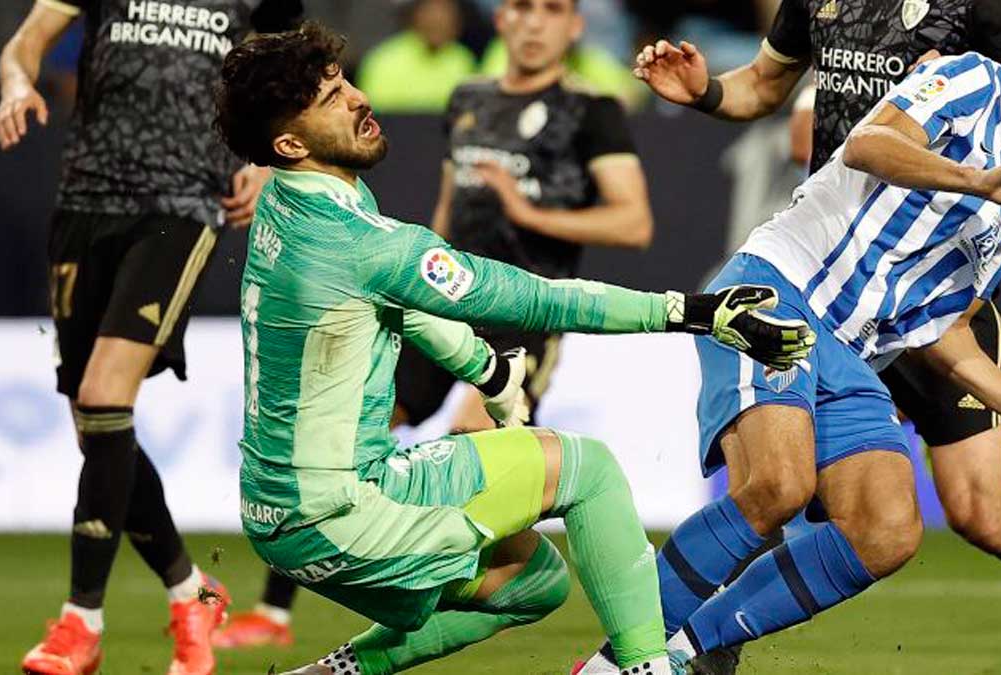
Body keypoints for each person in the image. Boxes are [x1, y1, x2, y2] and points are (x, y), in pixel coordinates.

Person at [212, 22, 815, 675]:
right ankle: (648, 668)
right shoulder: (365, 241)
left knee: (531, 580)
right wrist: (691, 312)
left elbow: (394, 306)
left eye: (344, 81)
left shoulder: (284, 201)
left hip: (278, 519)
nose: (357, 97)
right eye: (330, 98)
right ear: (290, 142)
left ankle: (337, 671)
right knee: (587, 469)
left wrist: (484, 366)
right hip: (345, 513)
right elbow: (540, 300)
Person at [576, 2, 1001, 674]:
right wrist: (976, 180)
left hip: (848, 350)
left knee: (887, 529)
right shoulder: (969, 81)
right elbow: (869, 144)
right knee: (777, 483)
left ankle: (681, 654)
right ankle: (614, 659)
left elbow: (937, 327)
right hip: (777, 292)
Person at [214, 0, 657, 647]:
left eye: (552, 9)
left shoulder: (593, 111)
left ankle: (404, 573)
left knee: (479, 444)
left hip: (519, 314)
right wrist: (417, 277)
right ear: (501, 21)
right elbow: (444, 218)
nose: (534, 22)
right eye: (522, 8)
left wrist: (527, 215)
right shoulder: (468, 98)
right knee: (355, 424)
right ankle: (288, 604)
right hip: (428, 298)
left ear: (574, 27)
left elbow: (633, 223)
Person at [0, 1, 302, 674]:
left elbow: (290, 77)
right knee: (95, 426)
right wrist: (18, 82)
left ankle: (80, 622)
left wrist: (269, 157)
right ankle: (194, 591)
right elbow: (25, 44)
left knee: (105, 395)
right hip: (84, 205)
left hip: (181, 208)